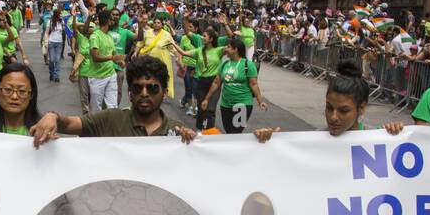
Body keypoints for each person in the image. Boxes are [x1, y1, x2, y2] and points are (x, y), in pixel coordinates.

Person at [31, 55, 267, 146]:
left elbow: (225, 154)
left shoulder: (179, 133)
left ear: (164, 92)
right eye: (138, 88)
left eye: (152, 87)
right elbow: (70, 124)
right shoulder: (110, 119)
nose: (145, 93)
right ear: (130, 93)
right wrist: (52, 117)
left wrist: (258, 143)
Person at [200, 36, 267, 134]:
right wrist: (206, 99)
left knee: (235, 133)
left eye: (228, 47)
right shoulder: (225, 64)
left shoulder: (248, 65)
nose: (226, 49)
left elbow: (254, 85)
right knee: (229, 132)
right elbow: (216, 82)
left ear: (235, 49)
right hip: (225, 105)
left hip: (242, 105)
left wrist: (260, 101)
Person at [323, 62, 405, 137]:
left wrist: (396, 134)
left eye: (344, 111)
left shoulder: (377, 137)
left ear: (361, 108)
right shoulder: (312, 140)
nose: (333, 117)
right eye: (329, 108)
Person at [83, 10, 121, 111]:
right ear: (108, 21)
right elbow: (95, 57)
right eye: (112, 19)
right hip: (97, 78)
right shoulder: (95, 36)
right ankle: (96, 126)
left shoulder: (109, 36)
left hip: (111, 74)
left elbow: (113, 54)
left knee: (113, 106)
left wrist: (120, 61)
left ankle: (110, 125)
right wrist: (111, 58)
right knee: (96, 108)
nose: (114, 21)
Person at [43, 6, 64, 82]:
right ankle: (51, 73)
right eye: (59, 14)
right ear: (56, 14)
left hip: (59, 43)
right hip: (51, 42)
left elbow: (63, 31)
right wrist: (46, 42)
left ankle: (57, 75)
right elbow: (46, 32)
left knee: (57, 59)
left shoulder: (62, 21)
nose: (60, 15)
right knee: (51, 60)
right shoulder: (50, 21)